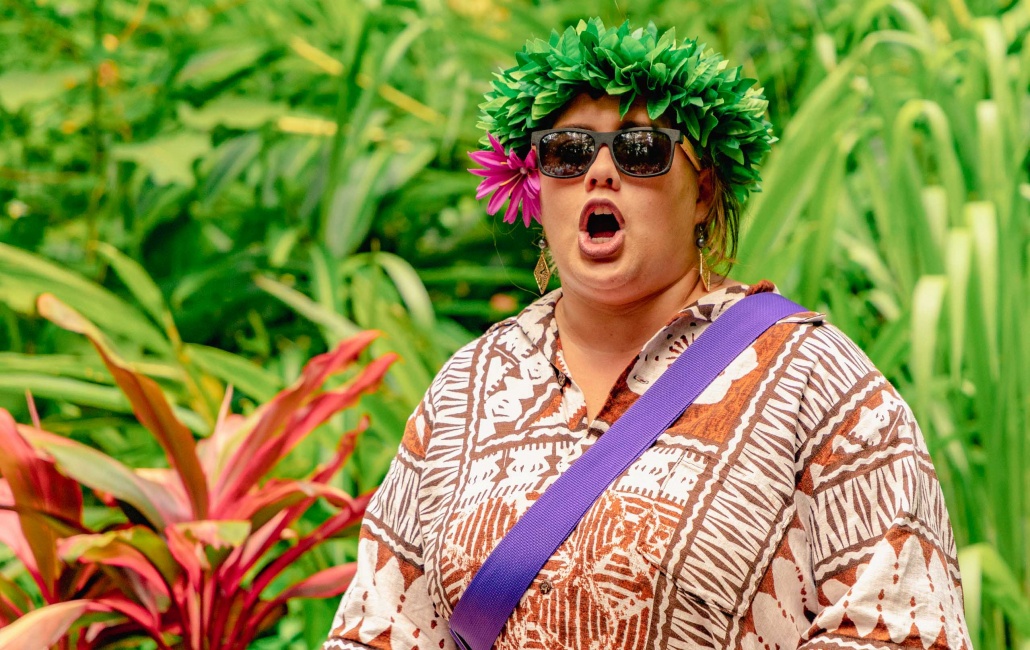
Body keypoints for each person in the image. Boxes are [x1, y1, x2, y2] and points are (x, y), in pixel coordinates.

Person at [325, 18, 971, 649]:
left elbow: (906, 628)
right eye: (568, 151)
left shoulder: (814, 379)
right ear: (538, 184)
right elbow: (378, 627)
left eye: (640, 150)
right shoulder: (466, 388)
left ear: (702, 191)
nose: (599, 173)